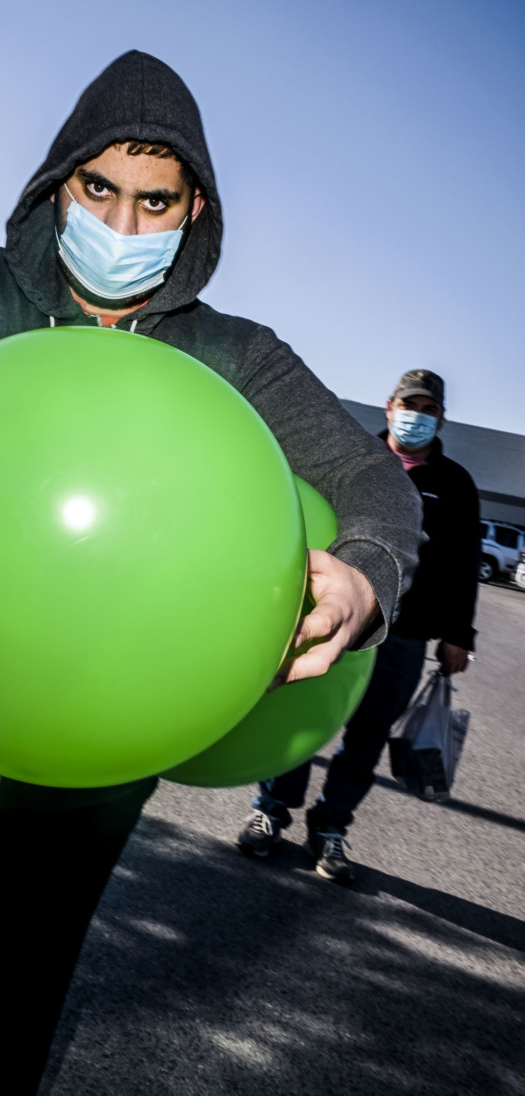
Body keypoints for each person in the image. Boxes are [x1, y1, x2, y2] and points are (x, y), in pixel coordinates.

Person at [0, 51, 424, 1094]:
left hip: (84, 786)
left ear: (194, 211)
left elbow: (374, 482)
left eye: (155, 201)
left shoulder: (232, 360)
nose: (121, 223)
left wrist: (366, 573)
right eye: (98, 189)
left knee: (8, 1044)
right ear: (58, 184)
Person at [237, 368, 480, 885]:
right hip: (337, 614)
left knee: (367, 738)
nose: (417, 416)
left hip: (405, 632)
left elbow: (463, 565)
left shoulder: (455, 484)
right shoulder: (353, 460)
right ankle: (271, 811)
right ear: (389, 407)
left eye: (429, 409)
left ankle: (330, 828)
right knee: (298, 715)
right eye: (409, 405)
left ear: (441, 419)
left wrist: (459, 635)